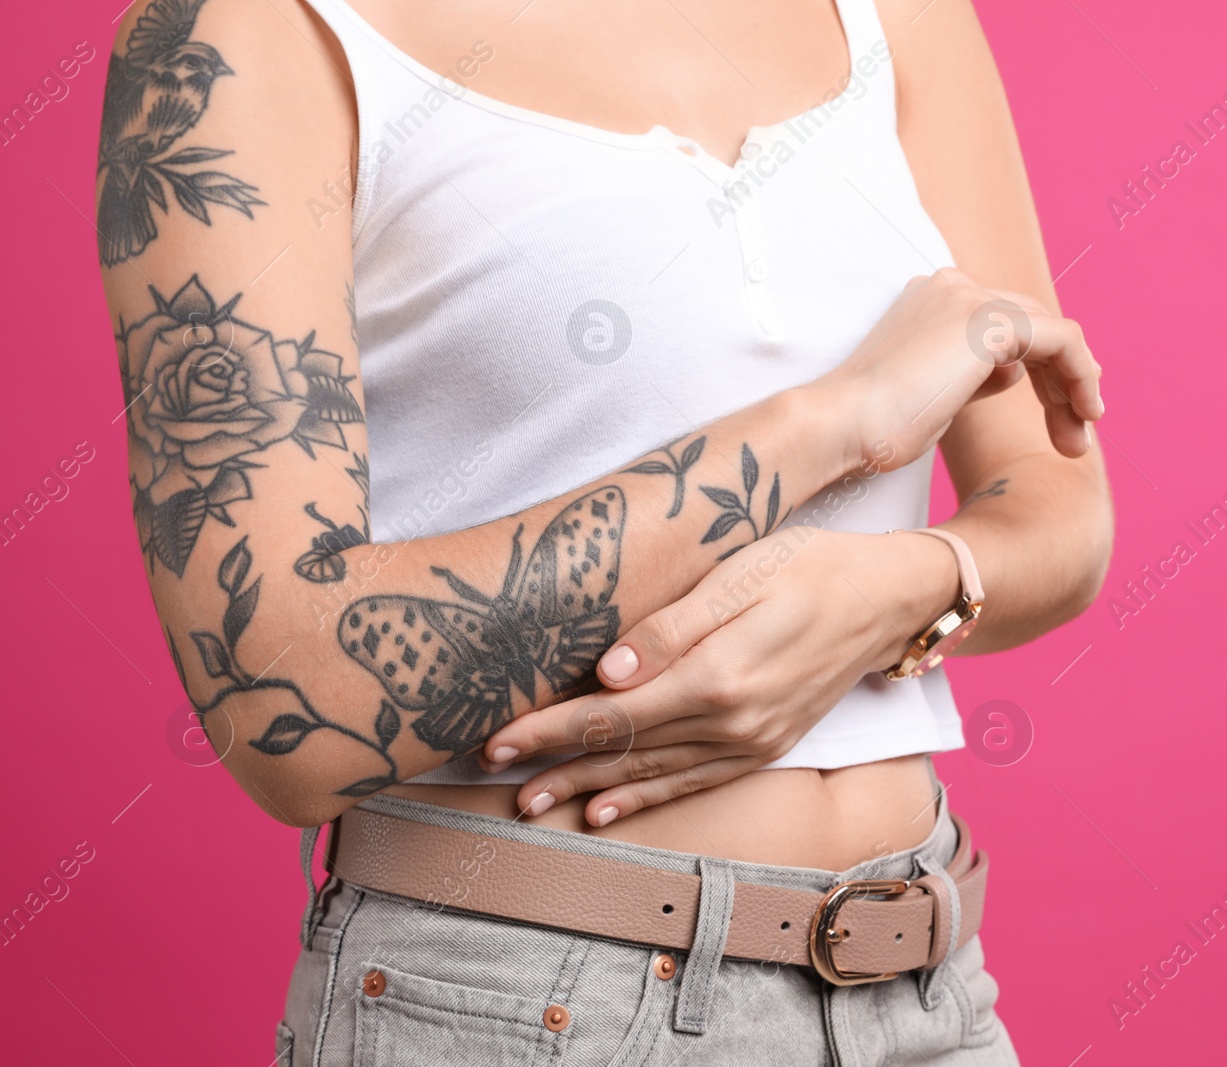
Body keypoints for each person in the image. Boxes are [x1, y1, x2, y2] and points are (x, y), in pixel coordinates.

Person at [98, 0, 1111, 1062]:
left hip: (921, 985)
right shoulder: (240, 35)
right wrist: (828, 422)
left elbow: (1058, 495)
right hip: (526, 998)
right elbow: (284, 701)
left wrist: (906, 586)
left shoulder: (896, 14)